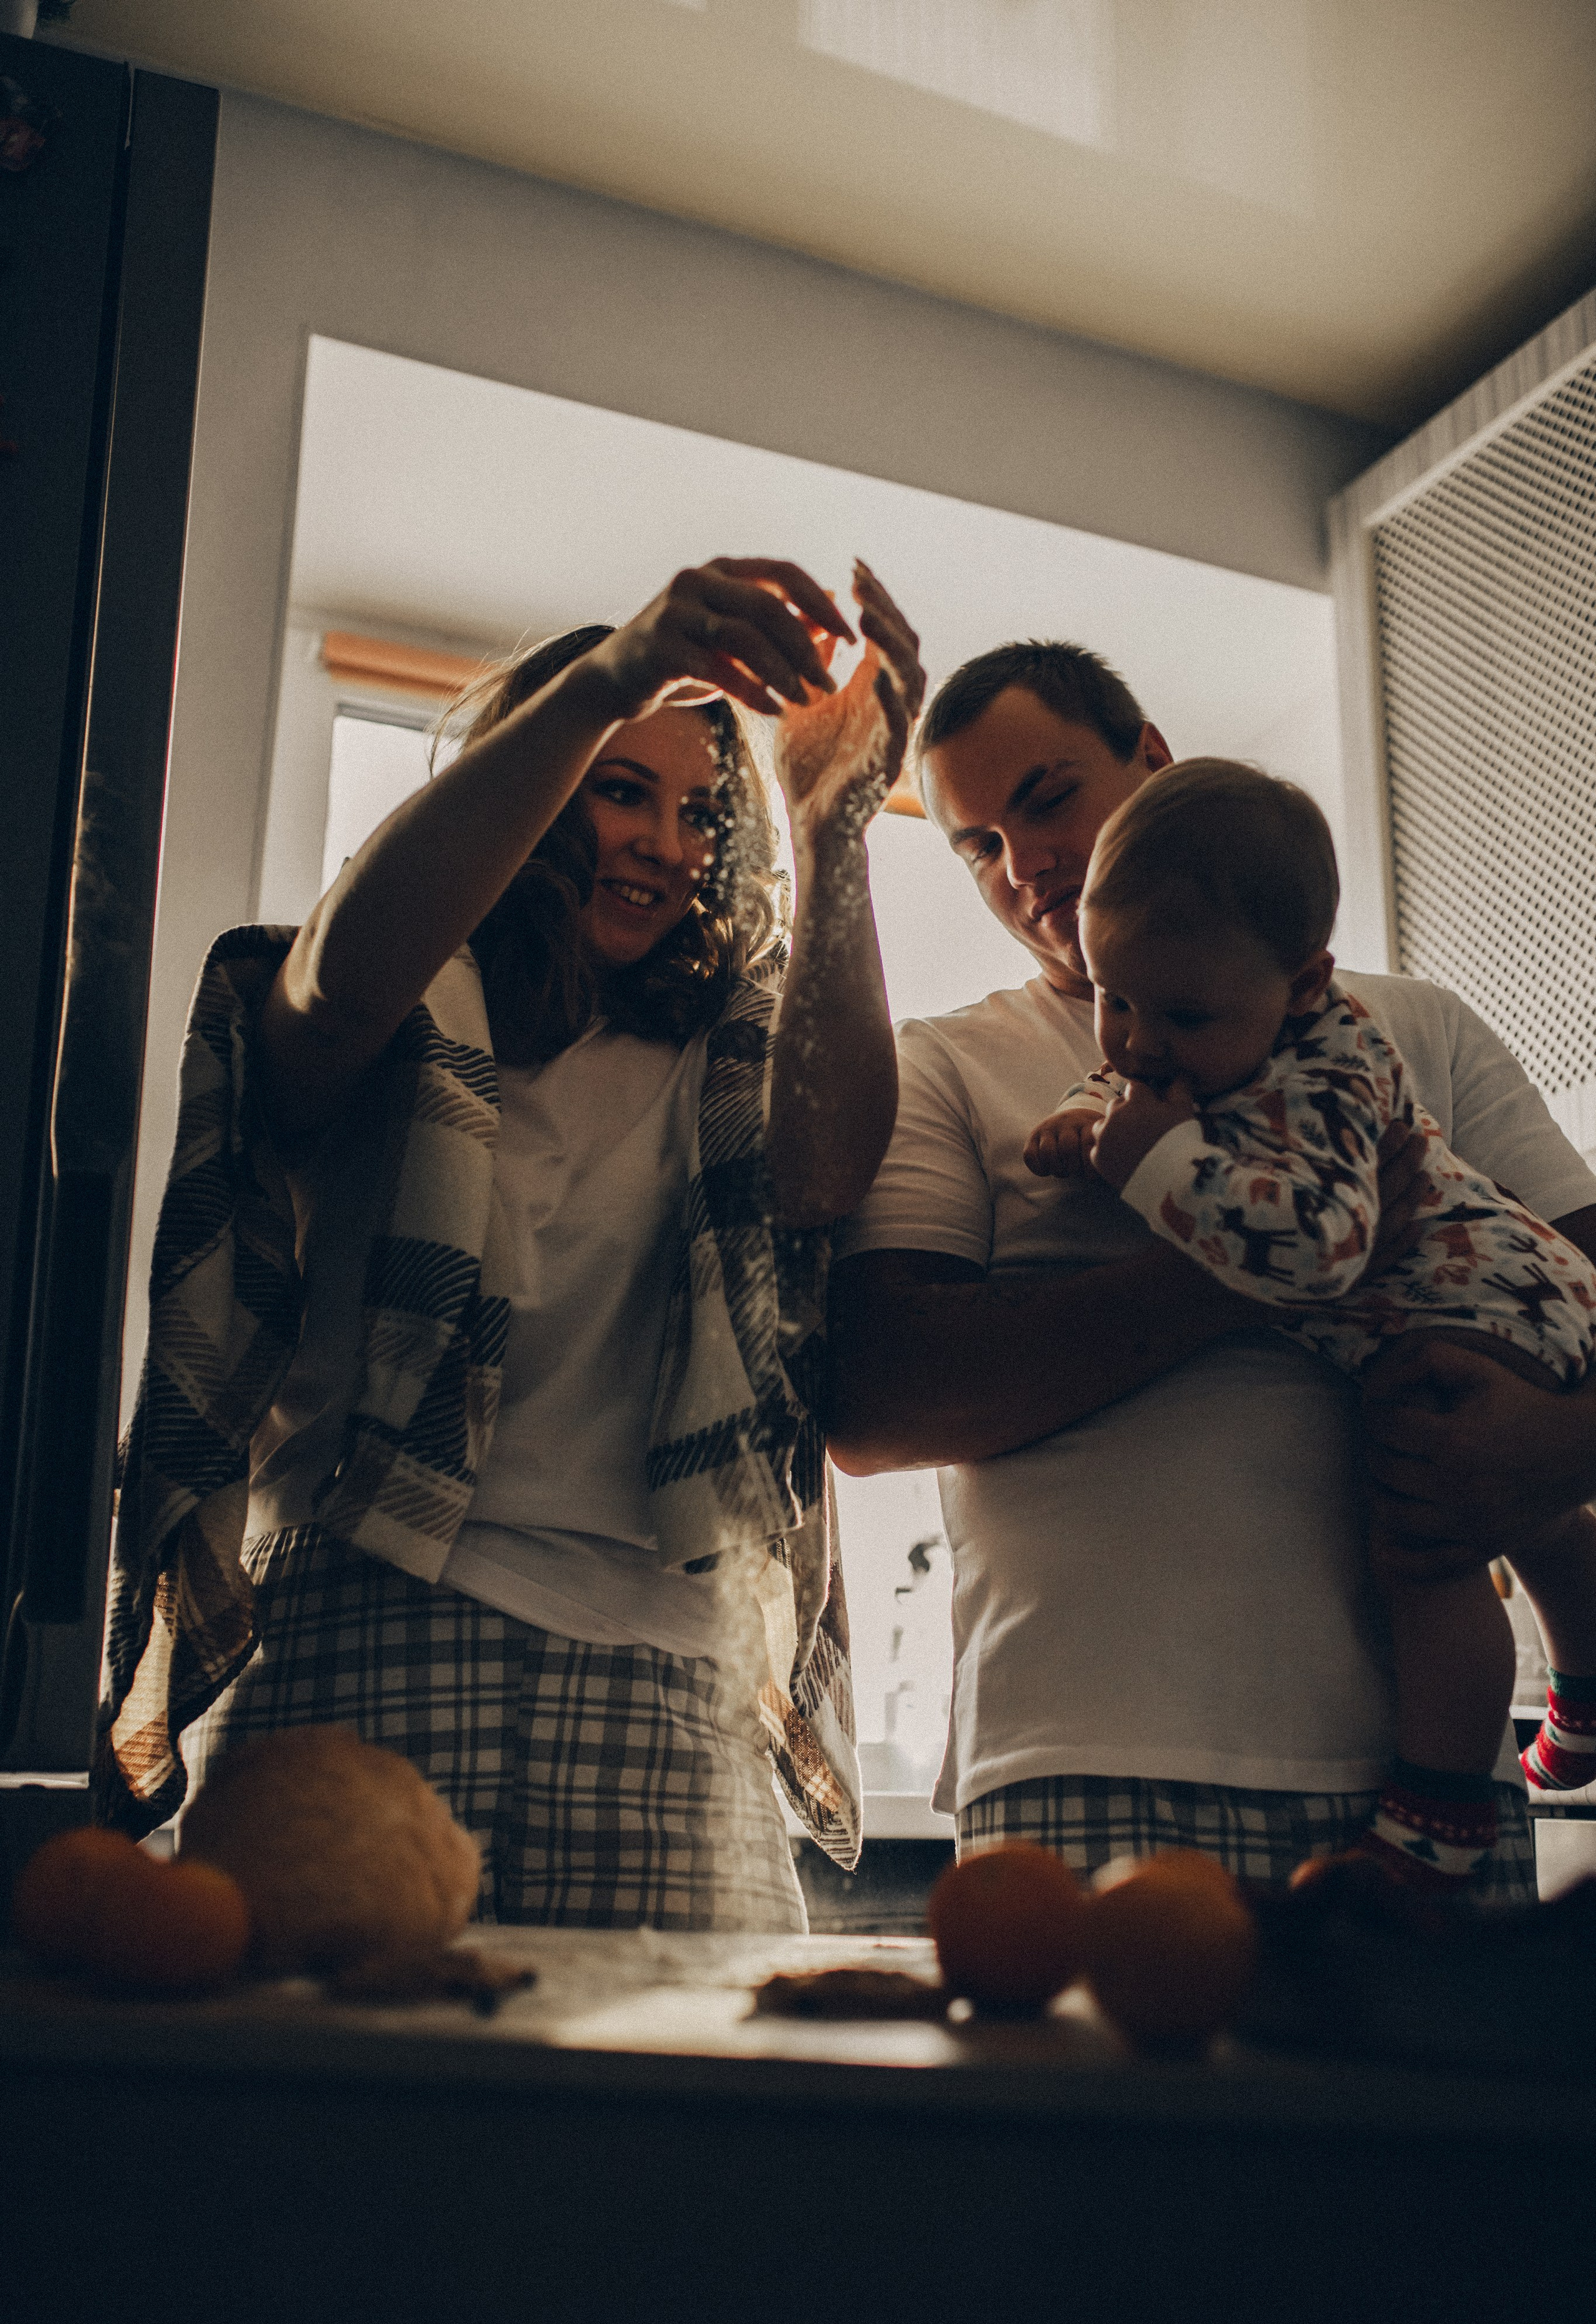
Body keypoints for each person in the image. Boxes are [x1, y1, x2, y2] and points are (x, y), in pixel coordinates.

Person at [99, 557, 925, 1934]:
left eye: (700, 813)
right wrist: (613, 677)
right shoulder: (402, 1001)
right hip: (364, 1636)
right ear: (536, 781)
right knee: (319, 2065)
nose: (664, 842)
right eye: (622, 790)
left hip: (673, 1676)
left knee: (682, 2080)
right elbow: (331, 984)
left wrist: (834, 831)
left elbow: (829, 1172)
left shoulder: (725, 1057)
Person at [825, 639, 1596, 1897]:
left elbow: (1577, 1296)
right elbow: (876, 1406)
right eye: (975, 844)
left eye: (1047, 799)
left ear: (1152, 759)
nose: (1023, 864)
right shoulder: (945, 1066)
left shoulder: (1410, 1030)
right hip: (1077, 1745)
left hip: (1420, 1765)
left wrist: (1554, 1450)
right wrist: (1255, 1263)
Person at [1022, 757, 1596, 1889]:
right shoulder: (1209, 1031)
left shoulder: (1334, 1072)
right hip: (1477, 1296)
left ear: (1303, 984)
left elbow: (1323, 1250)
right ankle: (1587, 1675)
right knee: (1527, 1517)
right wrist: (1091, 1114)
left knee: (1425, 1539)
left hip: (1484, 1298)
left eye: (1180, 1015)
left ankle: (1436, 1825)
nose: (1138, 1042)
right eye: (1112, 999)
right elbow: (1148, 1088)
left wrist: (1150, 1166)